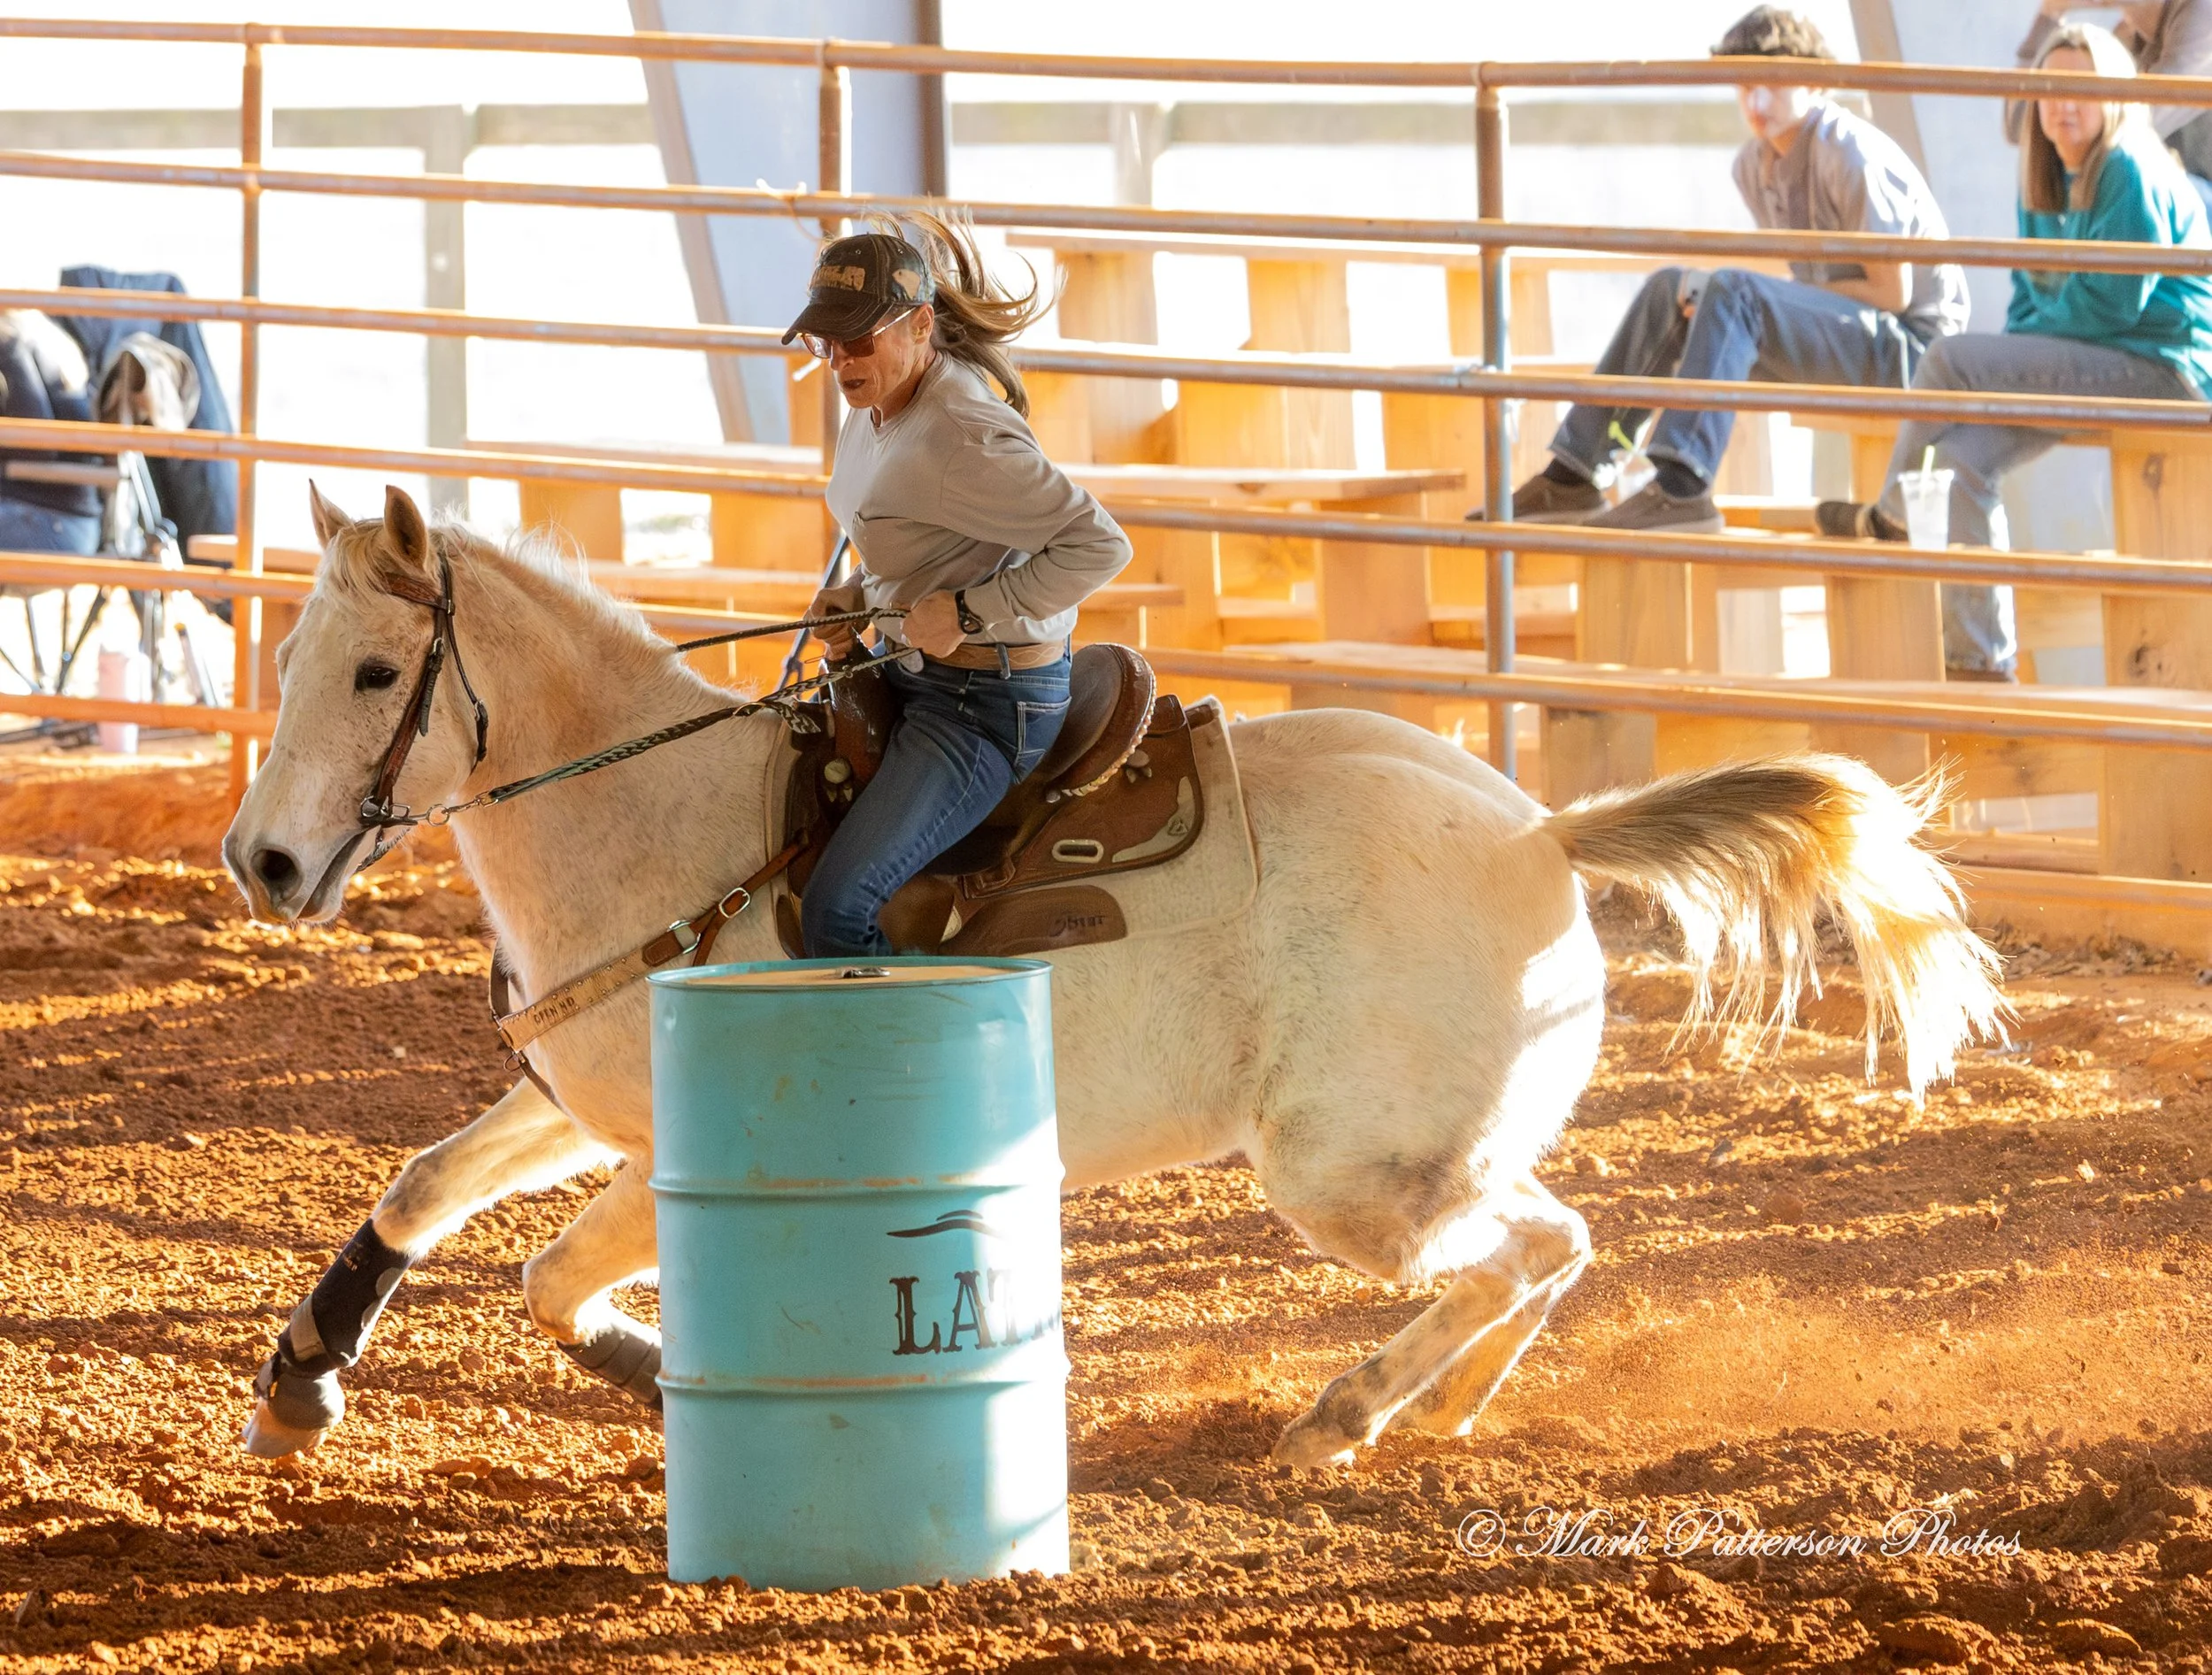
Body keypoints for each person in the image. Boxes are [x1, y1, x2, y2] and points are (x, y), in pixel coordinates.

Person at [1475, 5, 1970, 535]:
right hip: (1846, 333)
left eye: (1771, 84)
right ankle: (1574, 475)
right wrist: (1726, 299)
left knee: (1732, 292)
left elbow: (1892, 293)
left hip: (1912, 350)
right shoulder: (1752, 167)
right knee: (1671, 289)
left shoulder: (1850, 154)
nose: (1756, 102)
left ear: (1812, 80)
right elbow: (1808, 292)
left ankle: (1682, 487)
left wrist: (1745, 298)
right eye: (1744, 86)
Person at [1818, 23, 2212, 681]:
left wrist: (2006, 359)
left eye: (2082, 89)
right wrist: (2008, 365)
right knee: (1960, 461)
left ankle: (1893, 513)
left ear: (2115, 96)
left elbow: (2111, 305)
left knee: (1948, 358)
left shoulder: (2127, 165)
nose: (2063, 104)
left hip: (2166, 369)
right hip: (2094, 360)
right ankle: (1979, 659)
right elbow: (2031, 300)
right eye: (2050, 88)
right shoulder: (2045, 176)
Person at [788, 216, 1133, 959]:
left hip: (983, 704)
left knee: (836, 910)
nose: (840, 359)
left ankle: (925, 1037)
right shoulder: (875, 400)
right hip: (915, 670)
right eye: (826, 341)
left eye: (858, 338)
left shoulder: (963, 436)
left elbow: (1100, 545)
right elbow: (923, 535)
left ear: (920, 326)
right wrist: (860, 593)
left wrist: (972, 613)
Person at [2013, 1, 2212, 219]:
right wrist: (2050, 13)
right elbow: (2024, 127)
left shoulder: (2204, 14)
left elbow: (2120, 133)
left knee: (2118, 176)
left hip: (2202, 201)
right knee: (2043, 181)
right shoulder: (2127, 36)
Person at [0, 309, 103, 556]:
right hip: (69, 522)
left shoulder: (11, 343)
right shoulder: (47, 339)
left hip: (47, 521)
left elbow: (35, 445)